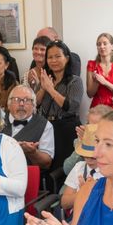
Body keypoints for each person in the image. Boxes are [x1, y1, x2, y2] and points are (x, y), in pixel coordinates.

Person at [37, 40, 84, 170]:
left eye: (58, 56)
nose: (53, 60)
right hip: (47, 127)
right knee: (47, 167)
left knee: (64, 168)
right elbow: (35, 104)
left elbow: (71, 107)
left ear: (67, 58)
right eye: (50, 57)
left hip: (67, 128)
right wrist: (43, 88)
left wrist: (51, 90)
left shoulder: (75, 81)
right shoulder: (46, 79)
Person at [2, 84, 54, 169]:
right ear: (8, 104)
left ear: (34, 106)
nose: (21, 104)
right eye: (16, 99)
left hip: (26, 176)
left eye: (26, 100)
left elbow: (47, 163)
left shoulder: (45, 125)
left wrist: (33, 152)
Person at [63, 104, 113, 175]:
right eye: (89, 124)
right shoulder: (81, 139)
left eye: (96, 126)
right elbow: (67, 169)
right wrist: (82, 144)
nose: (91, 130)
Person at [86, 33, 113, 108]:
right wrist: (96, 82)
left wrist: (105, 82)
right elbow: (90, 94)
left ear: (112, 47)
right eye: (99, 44)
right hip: (97, 108)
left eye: (105, 44)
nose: (101, 46)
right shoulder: (92, 65)